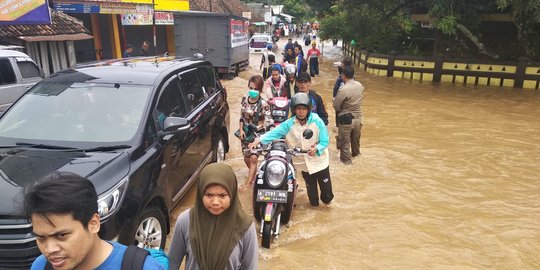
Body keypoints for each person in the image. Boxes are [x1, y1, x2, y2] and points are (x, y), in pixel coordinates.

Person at [23, 172, 164, 270]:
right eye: (41, 238)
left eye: (61, 236)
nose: (50, 249)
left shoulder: (142, 267)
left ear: (94, 223)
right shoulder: (41, 266)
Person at [248, 93, 333, 207]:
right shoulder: (288, 124)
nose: (301, 111)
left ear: (308, 109)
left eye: (304, 108)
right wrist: (259, 140)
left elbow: (324, 141)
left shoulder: (317, 121)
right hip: (303, 163)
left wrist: (317, 148)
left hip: (319, 162)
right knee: (313, 200)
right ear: (294, 109)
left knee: (327, 197)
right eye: (298, 108)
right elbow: (275, 133)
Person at [168, 163, 258, 270]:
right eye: (209, 195)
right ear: (200, 193)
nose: (215, 202)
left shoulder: (245, 227)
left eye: (222, 195)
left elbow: (250, 267)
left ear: (232, 194)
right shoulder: (185, 221)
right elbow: (172, 262)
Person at [239, 75, 273, 185]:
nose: (252, 91)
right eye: (251, 88)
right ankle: (256, 174)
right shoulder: (245, 99)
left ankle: (249, 185)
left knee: (253, 158)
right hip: (245, 133)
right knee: (247, 158)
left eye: (255, 89)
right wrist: (241, 130)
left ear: (260, 90)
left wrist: (272, 132)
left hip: (257, 135)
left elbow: (269, 120)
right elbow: (241, 116)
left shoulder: (264, 104)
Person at [333, 66, 364, 164]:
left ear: (343, 75)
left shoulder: (343, 89)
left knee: (345, 145)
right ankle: (357, 159)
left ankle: (347, 166)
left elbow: (336, 106)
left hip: (346, 120)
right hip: (358, 119)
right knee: (356, 144)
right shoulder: (360, 86)